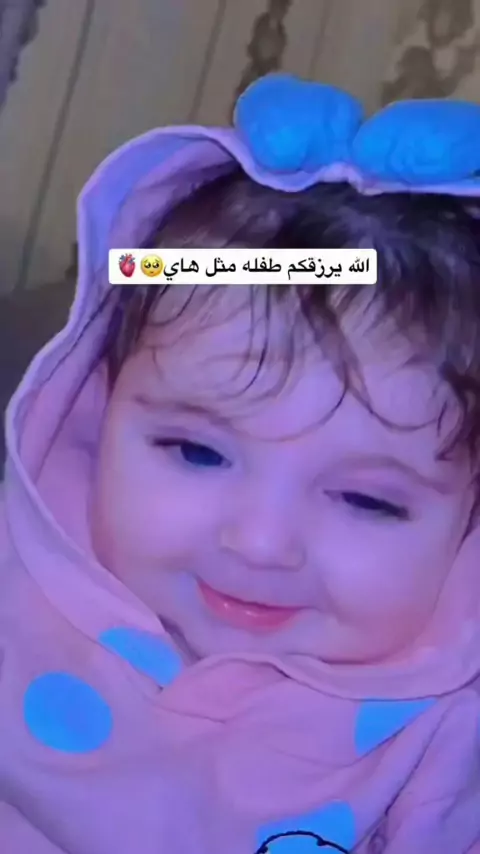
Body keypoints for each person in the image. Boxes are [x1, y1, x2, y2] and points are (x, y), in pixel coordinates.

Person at [1, 73, 480, 853]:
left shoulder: (446, 742)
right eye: (197, 451)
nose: (259, 544)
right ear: (97, 404)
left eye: (367, 500)